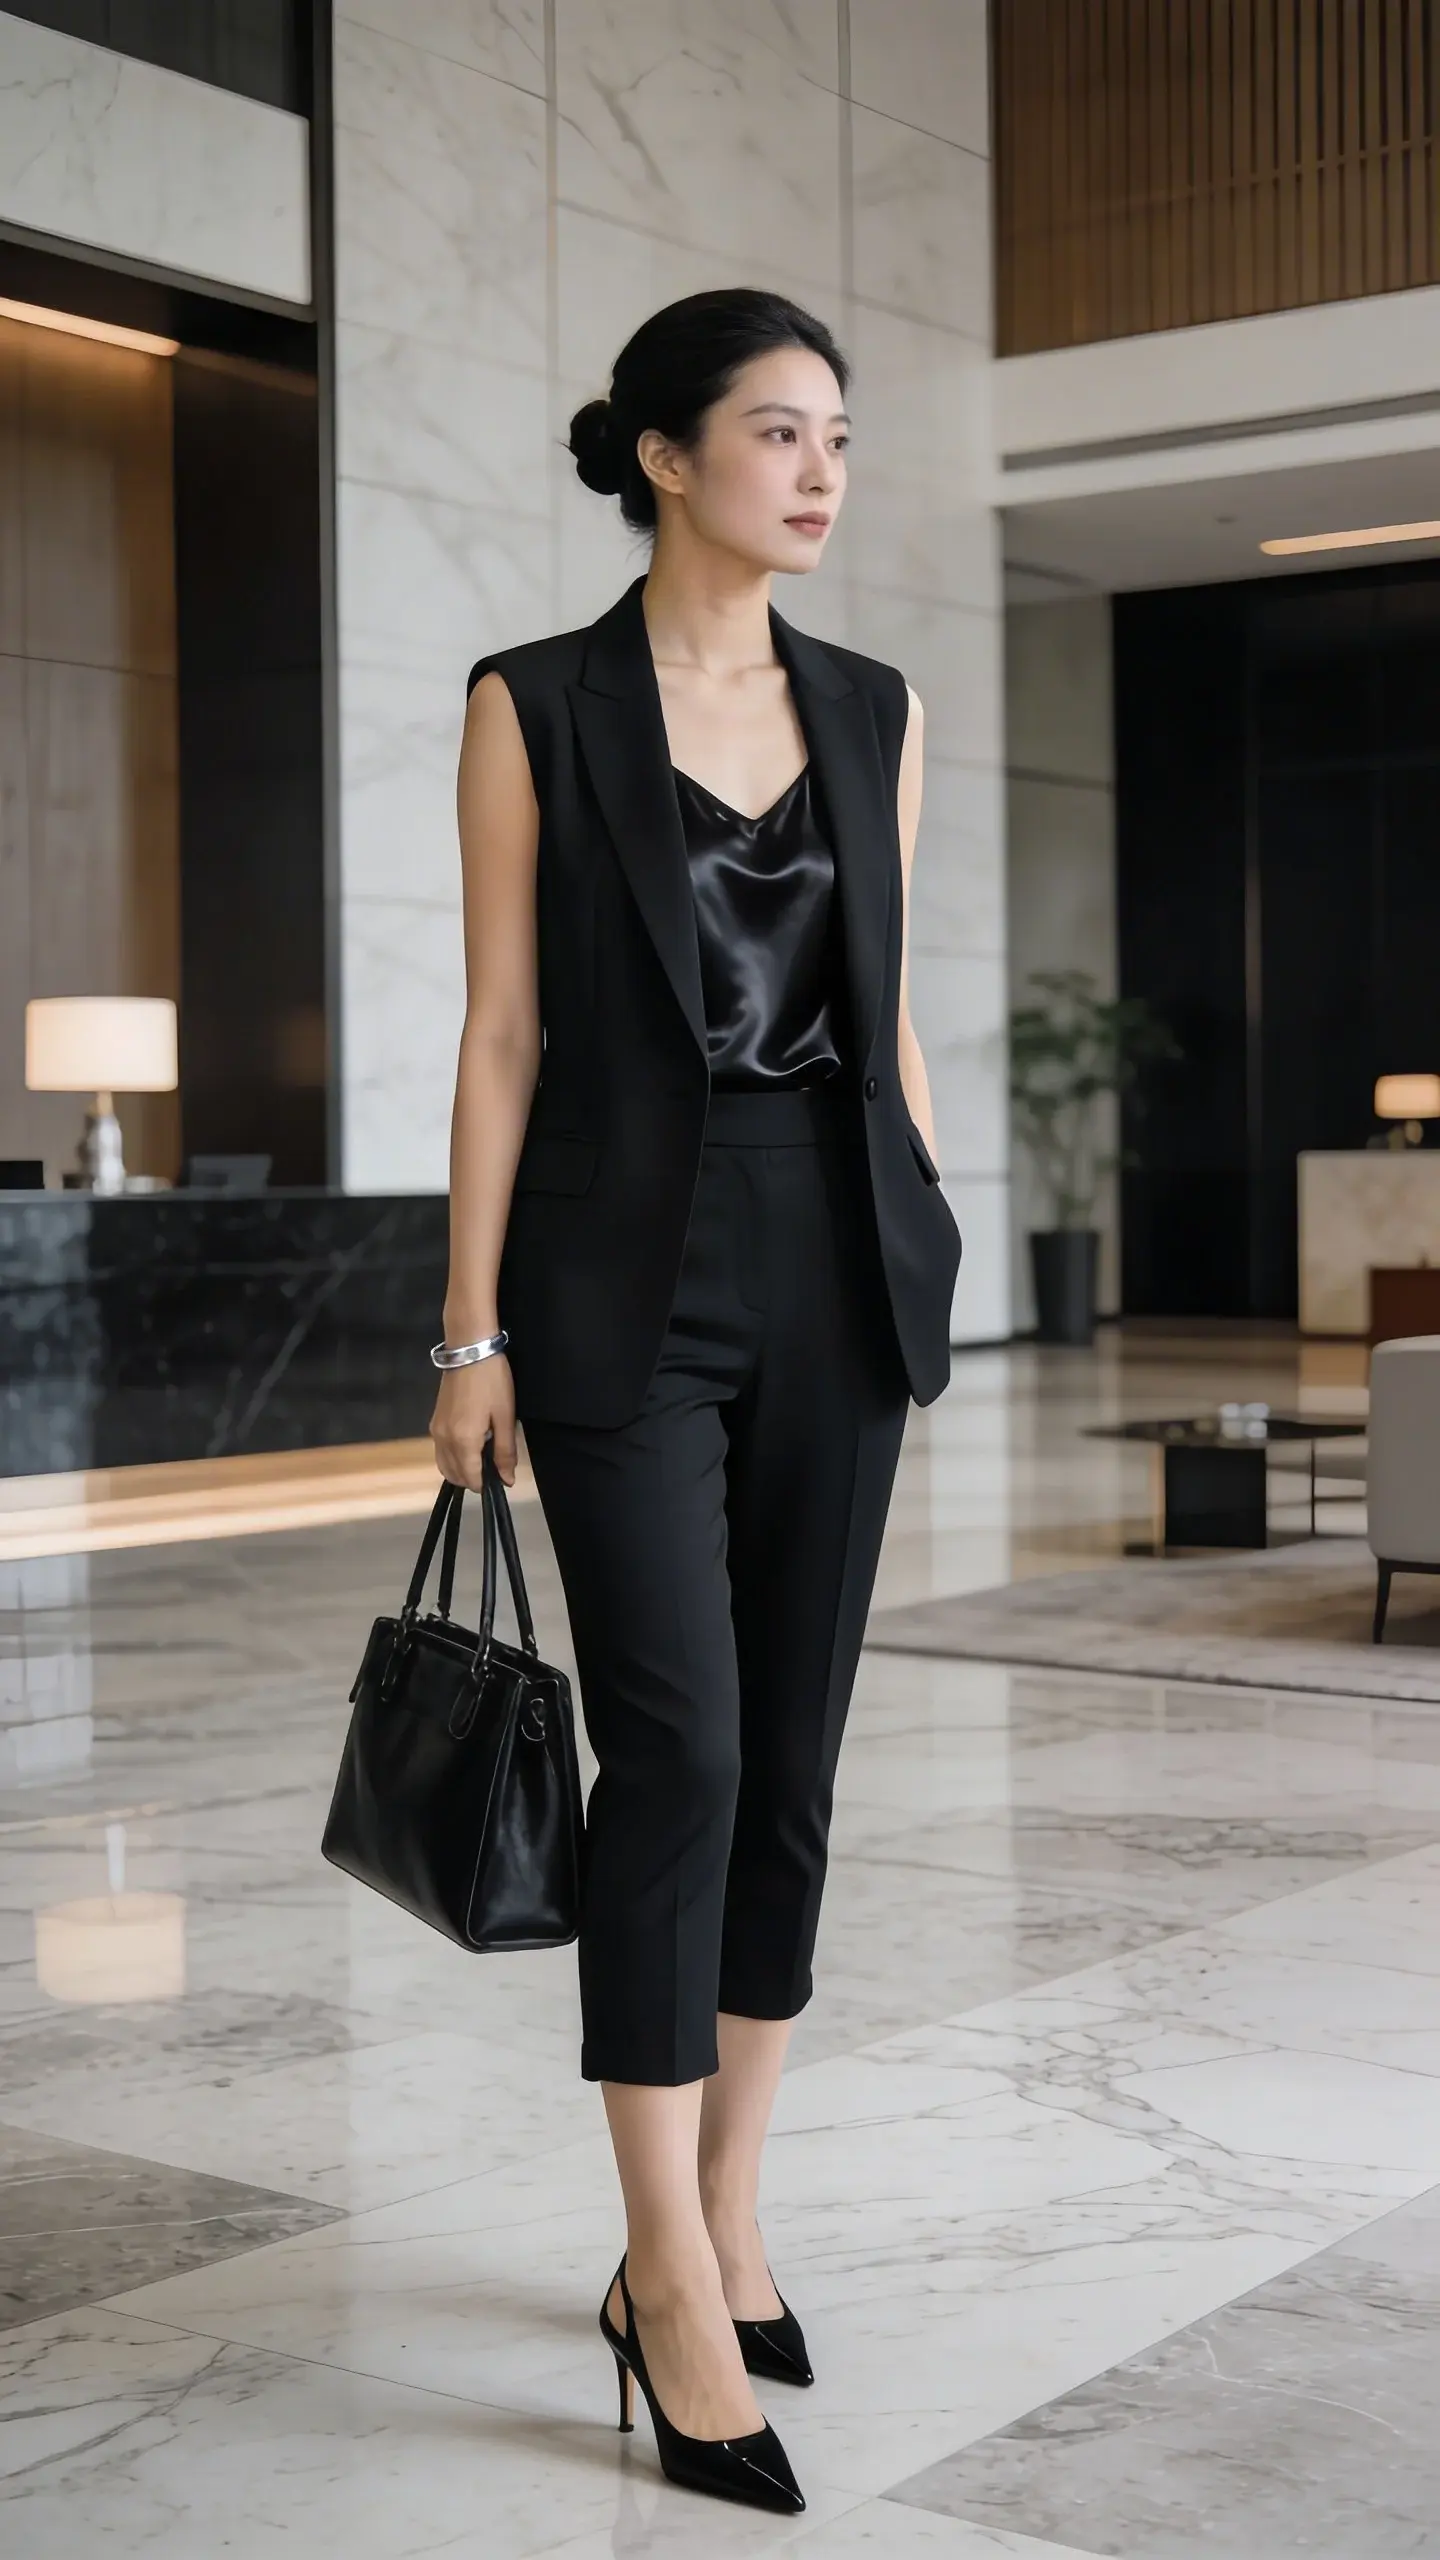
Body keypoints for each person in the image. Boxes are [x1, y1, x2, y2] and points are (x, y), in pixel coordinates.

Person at [430, 288, 961, 2515]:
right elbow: (503, 1033)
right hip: (614, 1284)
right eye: (777, 429)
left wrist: (928, 1241)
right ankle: (659, 2272)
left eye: (840, 433)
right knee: (687, 1750)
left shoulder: (873, 704)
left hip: (836, 1258)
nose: (823, 468)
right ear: (662, 454)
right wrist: (468, 1334)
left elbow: (893, 1010)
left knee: (798, 1772)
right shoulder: (535, 703)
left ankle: (733, 2205)